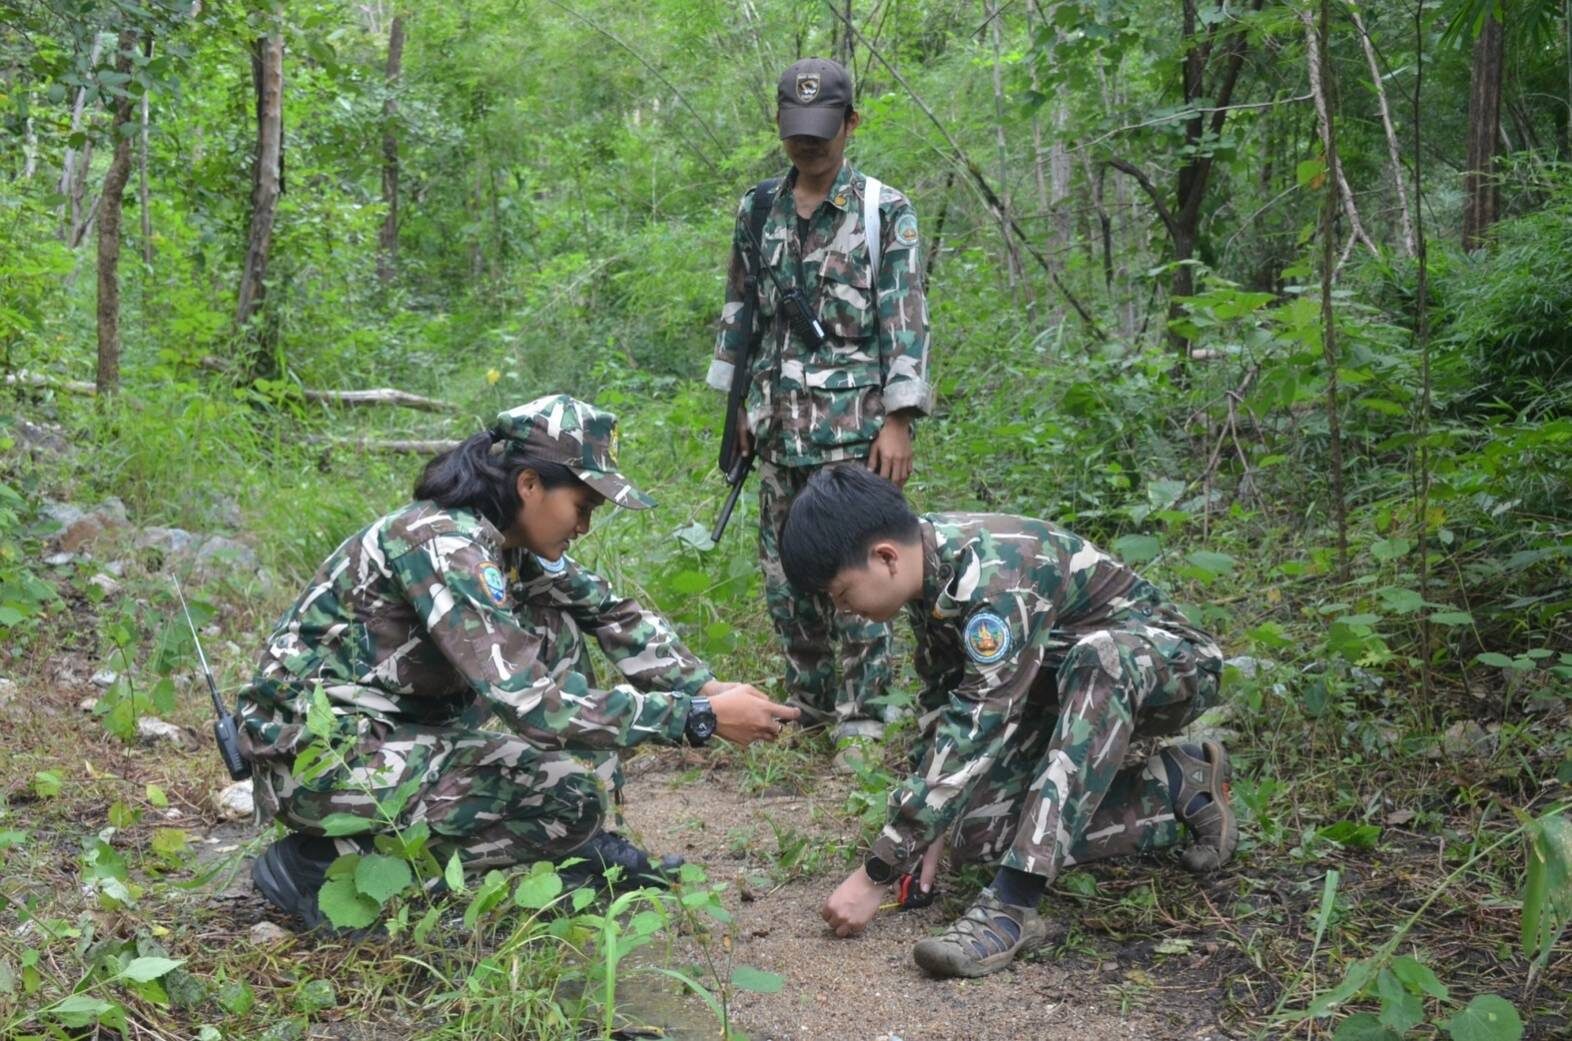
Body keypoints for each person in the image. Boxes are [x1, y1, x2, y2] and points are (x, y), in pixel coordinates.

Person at [239, 393, 799, 932]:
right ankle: (327, 863)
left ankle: (586, 848)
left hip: (397, 731)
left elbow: (609, 612)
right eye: (582, 507)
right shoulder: (443, 545)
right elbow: (537, 709)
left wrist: (710, 686)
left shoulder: (506, 545)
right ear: (529, 484)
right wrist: (695, 716)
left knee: (556, 626)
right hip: (319, 759)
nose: (584, 527)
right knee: (564, 798)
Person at [779, 465, 1236, 978]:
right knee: (975, 837)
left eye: (843, 595)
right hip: (1055, 688)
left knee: (1101, 657)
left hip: (1169, 670)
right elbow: (944, 706)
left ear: (885, 557)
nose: (849, 612)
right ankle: (1176, 785)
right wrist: (925, 828)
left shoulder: (994, 574)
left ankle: (1013, 905)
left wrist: (878, 870)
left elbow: (981, 721)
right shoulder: (929, 577)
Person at [706, 57, 933, 746]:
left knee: (859, 578)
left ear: (851, 123)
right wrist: (739, 409)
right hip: (776, 429)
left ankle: (864, 725)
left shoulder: (881, 210)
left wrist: (898, 419)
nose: (808, 145)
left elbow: (906, 318)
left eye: (822, 130)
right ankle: (810, 712)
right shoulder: (758, 208)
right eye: (795, 131)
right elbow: (742, 314)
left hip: (855, 435)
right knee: (787, 576)